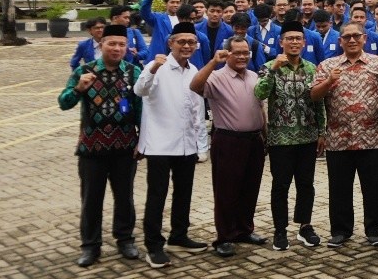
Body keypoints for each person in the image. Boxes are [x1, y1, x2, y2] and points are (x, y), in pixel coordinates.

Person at [60, 23, 143, 267]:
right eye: (112, 44)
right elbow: (63, 103)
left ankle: (125, 239)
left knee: (124, 197)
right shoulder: (84, 71)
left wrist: (143, 141)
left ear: (126, 47)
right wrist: (78, 89)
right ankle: (90, 245)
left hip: (125, 148)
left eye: (121, 44)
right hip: (91, 149)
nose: (117, 48)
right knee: (91, 199)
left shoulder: (133, 72)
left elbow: (141, 111)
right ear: (102, 45)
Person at [134, 22, 209, 268]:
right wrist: (154, 66)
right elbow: (139, 89)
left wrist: (201, 145)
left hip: (186, 145)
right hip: (159, 145)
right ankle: (154, 245)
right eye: (181, 42)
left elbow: (198, 110)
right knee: (157, 195)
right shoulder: (158, 67)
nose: (187, 46)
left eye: (191, 42)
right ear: (171, 43)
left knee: (183, 193)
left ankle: (179, 234)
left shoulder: (194, 70)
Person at [311, 21, 378, 247]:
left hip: (372, 136)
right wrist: (329, 81)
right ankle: (340, 231)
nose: (352, 40)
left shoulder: (377, 64)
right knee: (339, 189)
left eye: (357, 36)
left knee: (373, 187)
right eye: (347, 37)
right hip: (338, 139)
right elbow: (314, 97)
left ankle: (374, 230)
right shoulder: (328, 66)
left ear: (365, 38)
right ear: (340, 41)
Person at [190, 36, 266, 257]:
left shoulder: (254, 76)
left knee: (249, 188)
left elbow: (260, 109)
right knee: (226, 191)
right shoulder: (216, 77)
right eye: (237, 53)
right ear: (227, 54)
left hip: (254, 141)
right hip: (228, 141)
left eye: (246, 53)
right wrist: (214, 62)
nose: (242, 57)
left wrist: (265, 136)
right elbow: (195, 85)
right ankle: (224, 236)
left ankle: (244, 230)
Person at [254, 20, 324, 251]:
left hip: (307, 136)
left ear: (304, 42)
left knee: (306, 184)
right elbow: (259, 93)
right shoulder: (268, 66)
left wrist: (321, 132)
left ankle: (305, 226)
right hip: (280, 139)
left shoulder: (313, 68)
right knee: (280, 185)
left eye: (298, 39)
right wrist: (273, 70)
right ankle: (280, 230)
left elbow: (319, 103)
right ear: (281, 42)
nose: (294, 42)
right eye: (289, 39)